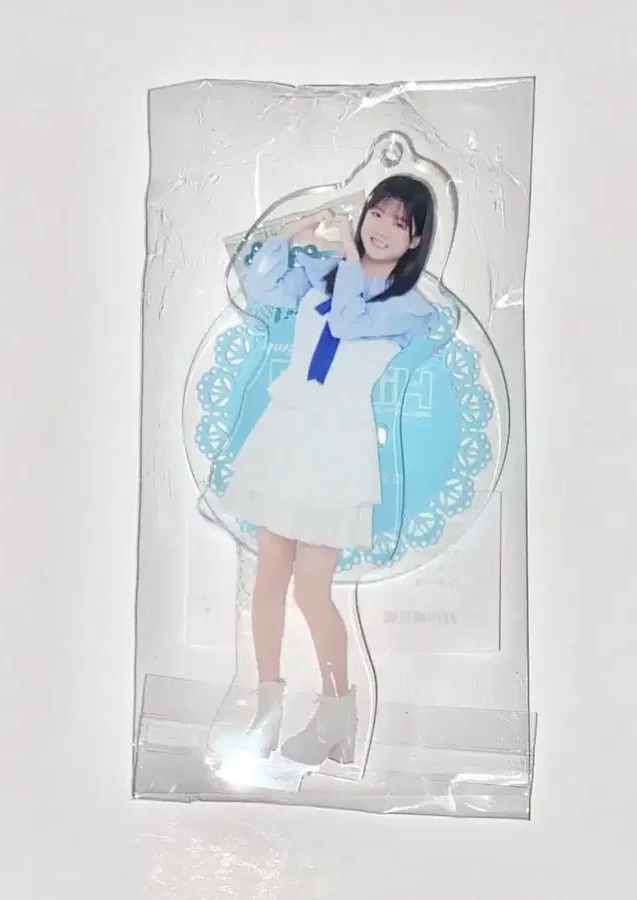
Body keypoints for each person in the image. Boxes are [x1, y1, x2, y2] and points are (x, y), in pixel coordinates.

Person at [219, 175, 439, 766]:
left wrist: (345, 255)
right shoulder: (323, 272)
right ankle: (267, 707)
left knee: (312, 590)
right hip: (289, 427)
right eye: (378, 212)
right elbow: (258, 284)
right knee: (270, 573)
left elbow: (345, 323)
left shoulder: (410, 308)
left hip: (336, 444)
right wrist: (297, 231)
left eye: (400, 222)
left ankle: (339, 713)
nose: (382, 228)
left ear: (416, 239)